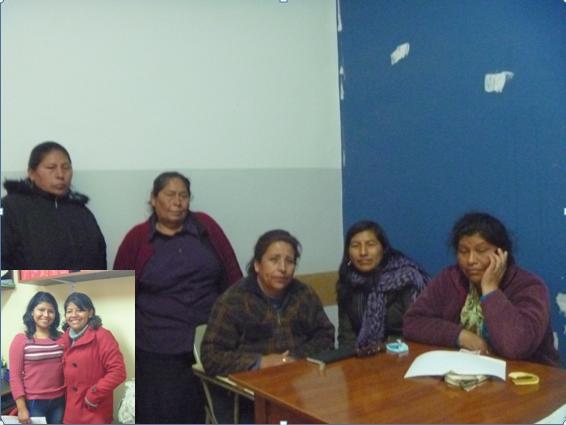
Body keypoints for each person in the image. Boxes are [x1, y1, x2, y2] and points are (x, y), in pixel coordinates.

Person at [113, 171, 242, 424]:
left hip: (211, 339)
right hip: (158, 346)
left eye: (183, 195)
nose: (178, 201)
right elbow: (121, 293)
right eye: (170, 194)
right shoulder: (138, 238)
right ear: (153, 199)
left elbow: (233, 276)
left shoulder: (206, 227)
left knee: (222, 410)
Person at [201, 229, 334, 422]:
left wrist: (295, 358)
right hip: (249, 395)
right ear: (257, 264)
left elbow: (326, 335)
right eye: (274, 260)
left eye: (289, 261)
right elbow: (211, 356)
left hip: (299, 387)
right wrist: (260, 362)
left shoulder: (304, 294)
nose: (283, 268)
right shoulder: (234, 301)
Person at [403, 212, 560, 366]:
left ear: (501, 253)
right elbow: (412, 322)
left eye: (481, 250)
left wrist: (490, 290)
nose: (471, 260)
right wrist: (460, 336)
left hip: (527, 375)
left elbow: (516, 347)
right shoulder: (450, 278)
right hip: (467, 371)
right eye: (463, 251)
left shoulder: (530, 286)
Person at [1, 141, 107, 269]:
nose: (60, 175)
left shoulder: (82, 213)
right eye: (51, 168)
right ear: (32, 173)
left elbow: (100, 260)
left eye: (66, 167)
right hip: (29, 283)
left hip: (82, 283)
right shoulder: (10, 208)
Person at [337, 220, 430, 354]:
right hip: (362, 358)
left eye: (370, 244)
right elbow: (346, 338)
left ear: (383, 248)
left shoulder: (407, 279)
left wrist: (382, 348)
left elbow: (420, 331)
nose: (363, 252)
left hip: (406, 354)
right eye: (355, 246)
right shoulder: (348, 282)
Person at [61, 292, 126, 424]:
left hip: (94, 410)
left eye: (79, 310)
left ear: (90, 313)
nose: (73, 315)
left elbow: (118, 372)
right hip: (71, 411)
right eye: (69, 311)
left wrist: (93, 395)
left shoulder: (102, 336)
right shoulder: (65, 338)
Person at [9, 292, 65, 424]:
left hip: (59, 400)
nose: (46, 315)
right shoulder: (21, 339)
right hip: (34, 403)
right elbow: (15, 377)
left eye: (50, 311)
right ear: (32, 312)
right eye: (41, 309)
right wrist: (21, 408)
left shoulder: (61, 337)